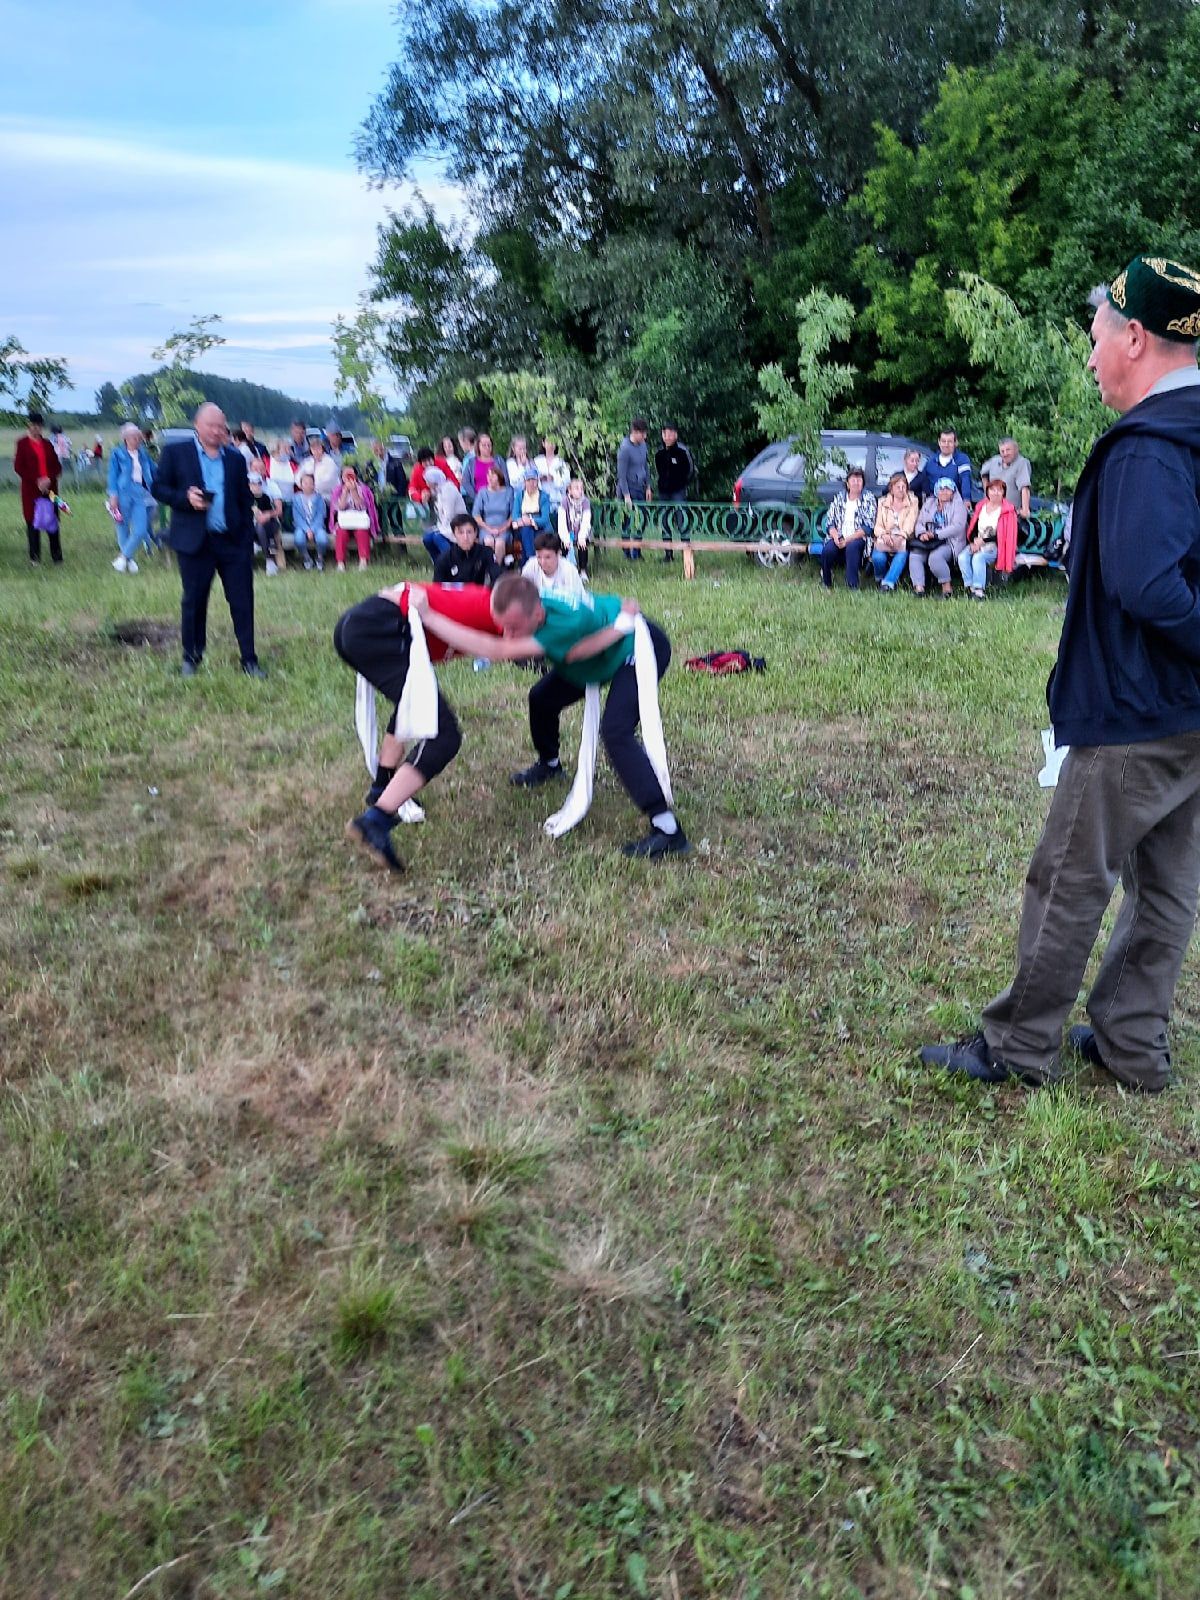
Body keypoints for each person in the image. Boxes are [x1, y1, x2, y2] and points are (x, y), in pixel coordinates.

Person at [921, 253, 1200, 1094]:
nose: (1089, 356)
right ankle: (1129, 1042)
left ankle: (1018, 1045)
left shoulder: (1148, 451)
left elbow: (1149, 584)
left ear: (1137, 339)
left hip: (1134, 708)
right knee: (1169, 887)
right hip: (1189, 716)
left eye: (1096, 337)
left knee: (1071, 878)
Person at [417, 575, 689, 858]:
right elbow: (574, 653)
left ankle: (667, 829)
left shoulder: (564, 623)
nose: (508, 635)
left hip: (636, 647)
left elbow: (498, 650)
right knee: (542, 698)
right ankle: (550, 764)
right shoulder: (532, 599)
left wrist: (429, 616)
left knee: (615, 731)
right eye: (503, 627)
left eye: (513, 628)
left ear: (537, 614)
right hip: (601, 647)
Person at [335, 581, 505, 873]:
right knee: (444, 735)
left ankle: (381, 788)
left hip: (360, 627)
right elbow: (407, 596)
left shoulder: (487, 605)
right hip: (375, 628)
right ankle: (376, 820)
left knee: (412, 704)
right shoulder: (486, 607)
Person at [151, 402, 264, 678]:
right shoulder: (176, 453)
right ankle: (191, 657)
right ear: (197, 425)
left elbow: (242, 497)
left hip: (232, 542)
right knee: (194, 601)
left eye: (221, 426)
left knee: (242, 600)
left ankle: (249, 659)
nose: (217, 431)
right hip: (195, 542)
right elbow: (158, 488)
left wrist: (247, 528)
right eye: (211, 425)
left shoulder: (235, 458)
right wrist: (185, 499)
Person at [13, 410, 63, 564]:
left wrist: (49, 478)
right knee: (32, 522)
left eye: (39, 426)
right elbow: (19, 467)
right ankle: (34, 558)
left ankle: (57, 558)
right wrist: (37, 480)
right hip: (31, 490)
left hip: (50, 489)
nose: (36, 428)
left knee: (52, 522)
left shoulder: (48, 444)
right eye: (33, 425)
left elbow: (57, 466)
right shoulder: (22, 444)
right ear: (28, 425)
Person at [107, 422, 156, 573]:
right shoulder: (117, 453)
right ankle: (129, 561)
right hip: (122, 493)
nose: (138, 439)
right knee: (123, 528)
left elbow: (154, 471)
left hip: (140, 493)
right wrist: (113, 495)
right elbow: (112, 475)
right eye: (134, 437)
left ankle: (123, 557)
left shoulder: (143, 454)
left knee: (141, 529)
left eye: (138, 437)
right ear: (126, 438)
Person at [959, 476, 1017, 598]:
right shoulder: (981, 506)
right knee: (962, 556)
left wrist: (983, 541)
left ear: (1003, 493)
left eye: (999, 490)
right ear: (987, 491)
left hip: (995, 546)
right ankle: (970, 587)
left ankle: (979, 590)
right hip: (978, 541)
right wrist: (974, 541)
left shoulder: (1008, 511)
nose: (995, 493)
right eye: (992, 489)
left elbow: (1005, 536)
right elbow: (974, 526)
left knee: (978, 558)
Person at [820, 468, 877, 591]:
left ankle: (853, 585)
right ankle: (826, 582)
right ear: (847, 483)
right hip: (839, 536)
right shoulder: (839, 498)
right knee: (827, 550)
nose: (856, 482)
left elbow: (868, 527)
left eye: (859, 479)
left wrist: (847, 540)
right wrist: (835, 537)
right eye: (853, 479)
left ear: (863, 483)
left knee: (852, 547)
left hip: (859, 537)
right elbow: (830, 523)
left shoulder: (869, 498)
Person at [909, 477, 968, 597]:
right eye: (941, 489)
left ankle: (947, 588)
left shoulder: (959, 505)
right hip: (929, 540)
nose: (944, 492)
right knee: (915, 556)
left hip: (949, 541)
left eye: (947, 489)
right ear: (936, 491)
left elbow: (957, 527)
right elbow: (919, 522)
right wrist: (922, 533)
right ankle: (919, 588)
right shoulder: (929, 502)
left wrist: (936, 534)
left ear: (953, 491)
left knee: (935, 557)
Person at [655, 423, 696, 561]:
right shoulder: (659, 452)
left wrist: (682, 484)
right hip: (663, 492)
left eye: (671, 434)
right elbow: (659, 471)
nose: (668, 437)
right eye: (665, 434)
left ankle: (687, 552)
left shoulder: (683, 451)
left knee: (681, 520)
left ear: (676, 435)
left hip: (678, 492)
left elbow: (691, 470)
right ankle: (668, 554)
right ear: (662, 435)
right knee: (665, 521)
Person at [871, 472, 919, 591]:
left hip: (902, 538)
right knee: (878, 558)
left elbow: (910, 523)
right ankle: (880, 578)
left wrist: (900, 535)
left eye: (904, 487)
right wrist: (884, 535)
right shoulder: (882, 502)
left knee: (901, 556)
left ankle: (888, 584)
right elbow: (878, 525)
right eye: (898, 487)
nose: (901, 490)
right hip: (885, 538)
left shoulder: (913, 501)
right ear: (891, 489)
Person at [329, 464, 379, 571]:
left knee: (362, 532)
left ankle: (363, 561)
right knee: (341, 533)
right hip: (344, 521)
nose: (348, 477)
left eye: (350, 474)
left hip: (359, 520)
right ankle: (341, 563)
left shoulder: (363, 489)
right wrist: (345, 491)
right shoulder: (337, 490)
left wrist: (353, 490)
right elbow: (339, 508)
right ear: (342, 477)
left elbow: (361, 507)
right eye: (345, 474)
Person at [616, 418, 652, 559]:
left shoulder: (643, 445)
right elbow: (621, 475)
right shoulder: (624, 449)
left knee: (641, 519)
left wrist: (648, 486)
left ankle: (636, 550)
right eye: (642, 434)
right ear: (635, 432)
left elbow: (646, 466)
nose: (644, 437)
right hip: (628, 489)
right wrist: (626, 495)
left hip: (640, 487)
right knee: (626, 521)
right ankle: (626, 551)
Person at [432, 512, 499, 585]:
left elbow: (497, 576)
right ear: (454, 534)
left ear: (475, 533)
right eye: (461, 533)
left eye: (469, 532)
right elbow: (437, 587)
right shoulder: (444, 559)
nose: (465, 537)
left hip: (478, 594)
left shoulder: (486, 552)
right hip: (454, 595)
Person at [523, 528, 585, 601]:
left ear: (558, 554)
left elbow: (575, 600)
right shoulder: (531, 565)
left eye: (548, 557)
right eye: (539, 557)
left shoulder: (569, 570)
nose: (542, 562)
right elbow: (522, 592)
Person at [980, 435, 1033, 520]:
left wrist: (1025, 510)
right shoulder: (994, 461)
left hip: (1010, 514)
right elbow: (983, 473)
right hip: (991, 511)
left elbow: (1024, 487)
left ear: (1016, 449)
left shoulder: (1022, 463)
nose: (1005, 454)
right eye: (1002, 451)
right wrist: (987, 494)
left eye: (1008, 450)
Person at [472, 462, 514, 567]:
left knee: (499, 543)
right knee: (489, 542)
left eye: (493, 476)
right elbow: (476, 515)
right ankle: (489, 570)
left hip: (503, 528)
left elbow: (513, 514)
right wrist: (489, 529)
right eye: (488, 476)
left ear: (499, 477)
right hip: (486, 528)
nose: (489, 478)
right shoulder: (482, 493)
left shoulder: (509, 492)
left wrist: (502, 528)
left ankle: (497, 571)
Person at [510, 465, 553, 561]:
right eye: (528, 480)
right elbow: (515, 515)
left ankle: (530, 561)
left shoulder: (544, 496)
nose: (531, 483)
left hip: (540, 526)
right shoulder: (519, 496)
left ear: (537, 482)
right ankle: (532, 559)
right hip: (523, 525)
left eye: (534, 480)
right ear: (524, 482)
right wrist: (521, 521)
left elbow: (545, 519)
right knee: (526, 530)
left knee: (530, 533)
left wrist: (530, 521)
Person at [249, 471, 284, 575]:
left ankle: (269, 560)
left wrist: (264, 514)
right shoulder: (246, 499)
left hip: (269, 524)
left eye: (259, 483)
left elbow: (273, 512)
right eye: (253, 484)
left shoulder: (265, 497)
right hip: (253, 526)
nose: (257, 486)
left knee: (260, 527)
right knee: (254, 527)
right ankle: (265, 557)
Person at [927, 428, 973, 504]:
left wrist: (966, 499)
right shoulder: (931, 461)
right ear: (939, 442)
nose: (946, 444)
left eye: (950, 441)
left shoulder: (962, 459)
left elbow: (965, 479)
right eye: (943, 441)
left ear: (956, 443)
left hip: (955, 504)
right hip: (934, 504)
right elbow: (924, 482)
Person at [292, 471, 327, 570]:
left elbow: (321, 515)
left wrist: (313, 528)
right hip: (302, 526)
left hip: (317, 525)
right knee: (298, 539)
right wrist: (307, 529)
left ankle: (320, 557)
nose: (308, 485)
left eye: (310, 483)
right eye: (305, 483)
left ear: (314, 485)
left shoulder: (319, 498)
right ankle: (306, 558)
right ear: (300, 485)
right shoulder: (296, 498)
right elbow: (297, 516)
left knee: (322, 539)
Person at [559, 476, 592, 575]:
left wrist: (582, 537)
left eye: (581, 488)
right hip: (568, 531)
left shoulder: (585, 502)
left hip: (582, 532)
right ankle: (563, 570)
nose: (580, 491)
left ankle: (583, 570)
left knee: (583, 544)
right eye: (576, 488)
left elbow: (586, 521)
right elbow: (561, 523)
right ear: (570, 490)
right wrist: (565, 538)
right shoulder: (564, 502)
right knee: (564, 544)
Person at [534, 436, 570, 509]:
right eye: (548, 441)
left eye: (553, 442)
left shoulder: (561, 462)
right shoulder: (536, 461)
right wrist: (539, 479)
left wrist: (554, 479)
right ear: (543, 444)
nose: (550, 444)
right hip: (539, 500)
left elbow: (567, 482)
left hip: (557, 500)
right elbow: (529, 479)